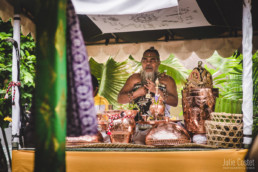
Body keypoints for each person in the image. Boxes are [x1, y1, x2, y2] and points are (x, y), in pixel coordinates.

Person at [117, 47, 178, 120]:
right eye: (145, 60)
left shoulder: (167, 80)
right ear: (141, 62)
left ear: (159, 62)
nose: (148, 63)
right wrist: (136, 93)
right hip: (136, 123)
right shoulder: (134, 79)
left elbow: (174, 102)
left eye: (152, 60)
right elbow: (120, 99)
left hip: (160, 123)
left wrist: (157, 91)